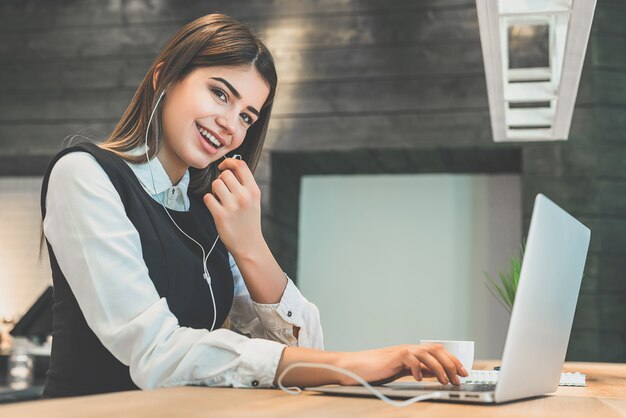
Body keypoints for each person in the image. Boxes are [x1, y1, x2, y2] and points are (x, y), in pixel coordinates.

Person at [40, 13, 467, 399]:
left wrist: (250, 245)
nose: (230, 124)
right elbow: (155, 351)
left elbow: (303, 351)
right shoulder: (85, 174)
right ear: (164, 78)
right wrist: (351, 365)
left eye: (247, 116)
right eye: (220, 94)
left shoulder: (213, 207)